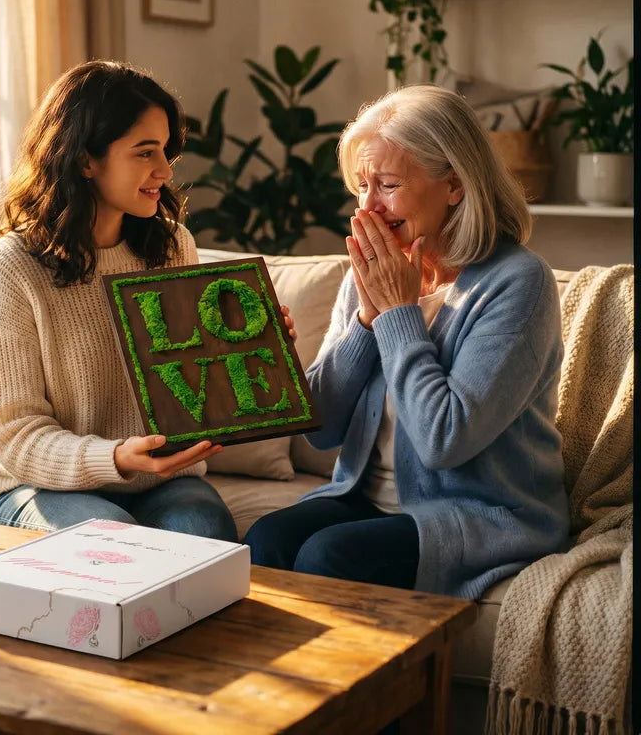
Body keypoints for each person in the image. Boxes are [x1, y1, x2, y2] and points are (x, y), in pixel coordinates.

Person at [243, 83, 570, 600]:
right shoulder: (368, 272)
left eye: (389, 184)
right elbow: (320, 431)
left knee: (327, 557)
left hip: (480, 514)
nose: (368, 207)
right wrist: (365, 325)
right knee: (265, 540)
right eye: (362, 186)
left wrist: (398, 314)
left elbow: (444, 441)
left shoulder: (518, 283)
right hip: (364, 497)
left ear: (455, 185)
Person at [0, 59, 238, 541]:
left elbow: (192, 386)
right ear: (85, 160)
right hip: (35, 485)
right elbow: (15, 434)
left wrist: (250, 347)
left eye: (165, 152)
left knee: (203, 528)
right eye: (144, 152)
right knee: (111, 540)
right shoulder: (11, 266)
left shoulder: (174, 245)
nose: (163, 170)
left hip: (160, 480)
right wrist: (112, 458)